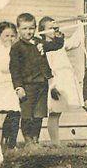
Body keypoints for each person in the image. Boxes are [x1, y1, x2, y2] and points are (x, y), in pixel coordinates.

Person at [9, 12, 64, 145]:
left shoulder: (39, 42)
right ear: (18, 29)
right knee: (27, 115)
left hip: (41, 84)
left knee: (39, 115)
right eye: (25, 28)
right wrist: (19, 87)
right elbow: (14, 70)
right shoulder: (16, 48)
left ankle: (35, 139)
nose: (29, 31)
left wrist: (56, 32)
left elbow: (57, 45)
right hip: (27, 86)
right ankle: (28, 140)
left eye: (31, 28)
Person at [38, 16, 84, 145]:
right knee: (54, 112)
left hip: (65, 81)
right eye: (50, 28)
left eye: (55, 28)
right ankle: (55, 142)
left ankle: (56, 142)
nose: (53, 30)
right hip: (54, 82)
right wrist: (53, 86)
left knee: (58, 113)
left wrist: (80, 23)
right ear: (42, 30)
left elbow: (76, 42)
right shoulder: (43, 48)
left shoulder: (60, 44)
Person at [0, 21, 21, 152]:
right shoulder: (0, 50)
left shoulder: (14, 49)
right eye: (6, 36)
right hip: (4, 85)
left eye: (12, 36)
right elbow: (4, 67)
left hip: (11, 85)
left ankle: (10, 142)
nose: (10, 39)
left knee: (14, 113)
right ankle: (5, 142)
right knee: (8, 112)